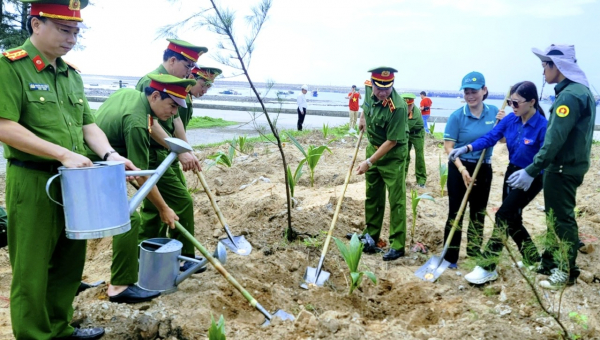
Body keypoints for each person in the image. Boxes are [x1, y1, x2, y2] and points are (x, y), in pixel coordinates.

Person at [0, 1, 138, 338]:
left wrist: (110, 153)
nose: (72, 38)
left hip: (75, 181)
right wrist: (62, 153)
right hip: (33, 180)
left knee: (68, 263)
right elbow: (4, 125)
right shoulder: (10, 67)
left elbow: (87, 125)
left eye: (76, 31)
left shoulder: (70, 74)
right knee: (32, 270)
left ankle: (59, 330)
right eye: (64, 30)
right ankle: (34, 336)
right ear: (36, 24)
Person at [95, 74, 195, 303]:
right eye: (171, 106)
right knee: (128, 219)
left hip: (106, 159)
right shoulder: (138, 122)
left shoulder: (131, 95)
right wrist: (163, 208)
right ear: (156, 95)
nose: (173, 113)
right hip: (98, 164)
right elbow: (141, 177)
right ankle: (120, 286)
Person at [508, 45, 596, 289]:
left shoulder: (569, 96)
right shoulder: (578, 91)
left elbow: (554, 140)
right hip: (567, 165)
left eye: (545, 64)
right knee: (553, 216)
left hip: (563, 168)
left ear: (557, 66)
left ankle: (567, 271)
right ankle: (548, 262)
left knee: (562, 219)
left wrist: (531, 170)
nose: (543, 70)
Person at [449, 81, 547, 284]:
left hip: (533, 176)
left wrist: (531, 173)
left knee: (503, 215)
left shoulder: (543, 126)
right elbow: (491, 137)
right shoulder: (511, 119)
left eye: (516, 102)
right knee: (513, 219)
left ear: (531, 102)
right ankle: (532, 259)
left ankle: (487, 266)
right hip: (513, 172)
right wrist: (466, 148)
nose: (512, 106)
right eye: (510, 101)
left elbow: (547, 156)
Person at [135, 39, 207, 272]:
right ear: (173, 60)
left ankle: (148, 254)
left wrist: (186, 151)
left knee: (155, 210)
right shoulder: (150, 82)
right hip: (153, 154)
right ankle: (185, 257)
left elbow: (176, 120)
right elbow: (149, 122)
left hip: (168, 154)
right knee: (180, 203)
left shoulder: (175, 83)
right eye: (188, 66)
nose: (190, 72)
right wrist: (177, 150)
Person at [443, 71, 503, 269]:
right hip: (459, 167)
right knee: (456, 212)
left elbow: (502, 139)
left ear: (484, 90)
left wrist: (503, 124)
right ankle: (450, 257)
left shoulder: (494, 112)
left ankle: (474, 252)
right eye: (466, 91)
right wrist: (461, 170)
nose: (470, 95)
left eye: (474, 91)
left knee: (478, 211)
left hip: (483, 167)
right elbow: (449, 148)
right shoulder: (457, 116)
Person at [356, 67, 409, 261]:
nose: (383, 92)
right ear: (373, 83)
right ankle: (371, 236)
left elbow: (392, 141)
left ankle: (397, 245)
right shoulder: (370, 90)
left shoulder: (399, 107)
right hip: (373, 148)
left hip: (392, 154)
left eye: (387, 88)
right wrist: (362, 118)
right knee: (373, 195)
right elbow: (366, 105)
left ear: (392, 84)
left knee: (396, 200)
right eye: (380, 88)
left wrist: (368, 162)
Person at [401, 93, 427, 188]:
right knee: (404, 156)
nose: (408, 108)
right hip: (406, 133)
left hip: (417, 134)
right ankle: (402, 178)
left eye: (410, 106)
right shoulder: (398, 109)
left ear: (413, 104)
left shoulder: (415, 114)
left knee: (419, 156)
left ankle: (421, 180)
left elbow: (404, 128)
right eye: (406, 106)